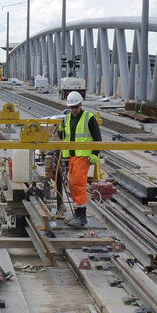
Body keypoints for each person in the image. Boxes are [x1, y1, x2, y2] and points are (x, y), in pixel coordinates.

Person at [58, 91, 101, 227]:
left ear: (81, 104)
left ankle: (82, 216)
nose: (73, 110)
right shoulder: (67, 118)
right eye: (71, 107)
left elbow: (98, 138)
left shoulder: (89, 118)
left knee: (78, 184)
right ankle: (77, 213)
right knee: (72, 185)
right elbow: (62, 136)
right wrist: (60, 128)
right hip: (71, 156)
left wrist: (95, 153)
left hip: (83, 157)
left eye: (76, 107)